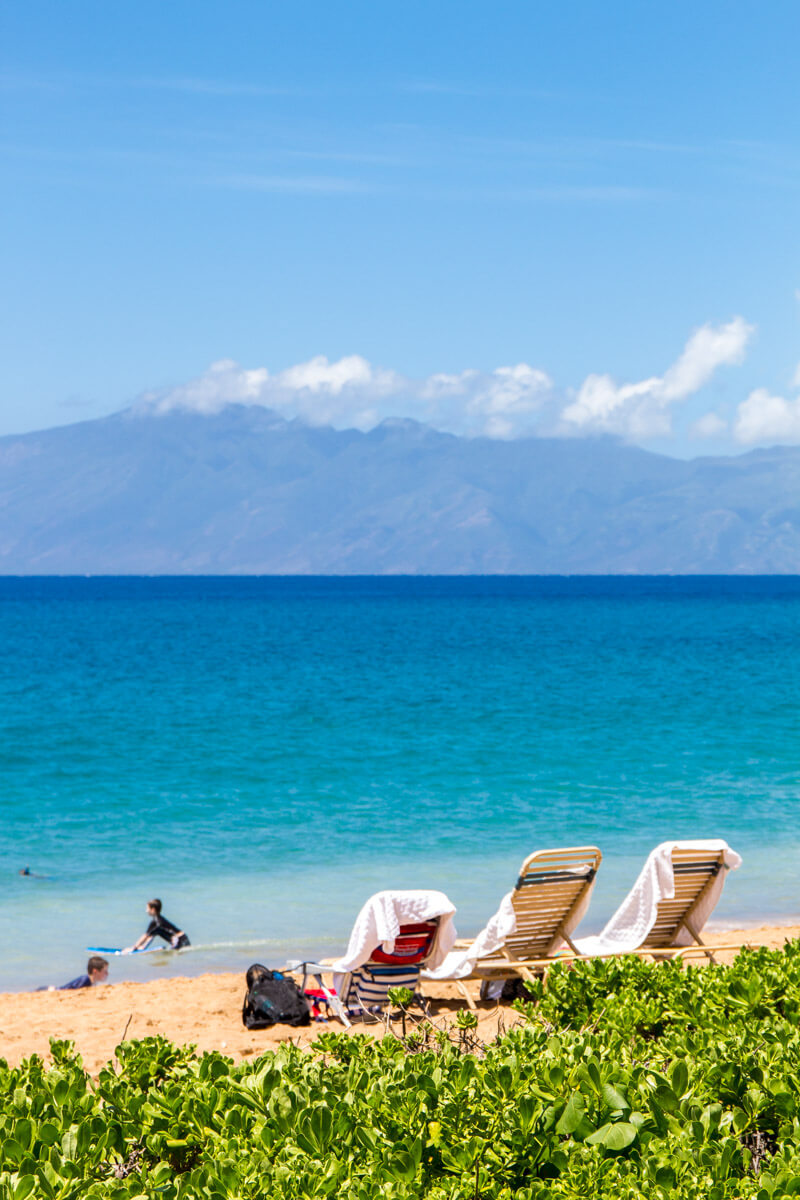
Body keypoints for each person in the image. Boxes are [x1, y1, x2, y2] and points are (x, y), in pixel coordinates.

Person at [124, 898, 190, 953]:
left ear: (153, 909)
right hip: (184, 940)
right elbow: (150, 935)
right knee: (156, 931)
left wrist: (133, 948)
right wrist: (142, 947)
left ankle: (141, 947)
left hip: (180, 941)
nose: (146, 911)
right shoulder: (158, 920)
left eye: (147, 908)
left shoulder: (156, 922)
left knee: (166, 953)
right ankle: (144, 947)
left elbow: (145, 936)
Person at [40, 955, 109, 991]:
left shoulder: (92, 982)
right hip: (51, 990)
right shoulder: (86, 980)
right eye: (105, 971)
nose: (107, 974)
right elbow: (73, 991)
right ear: (95, 971)